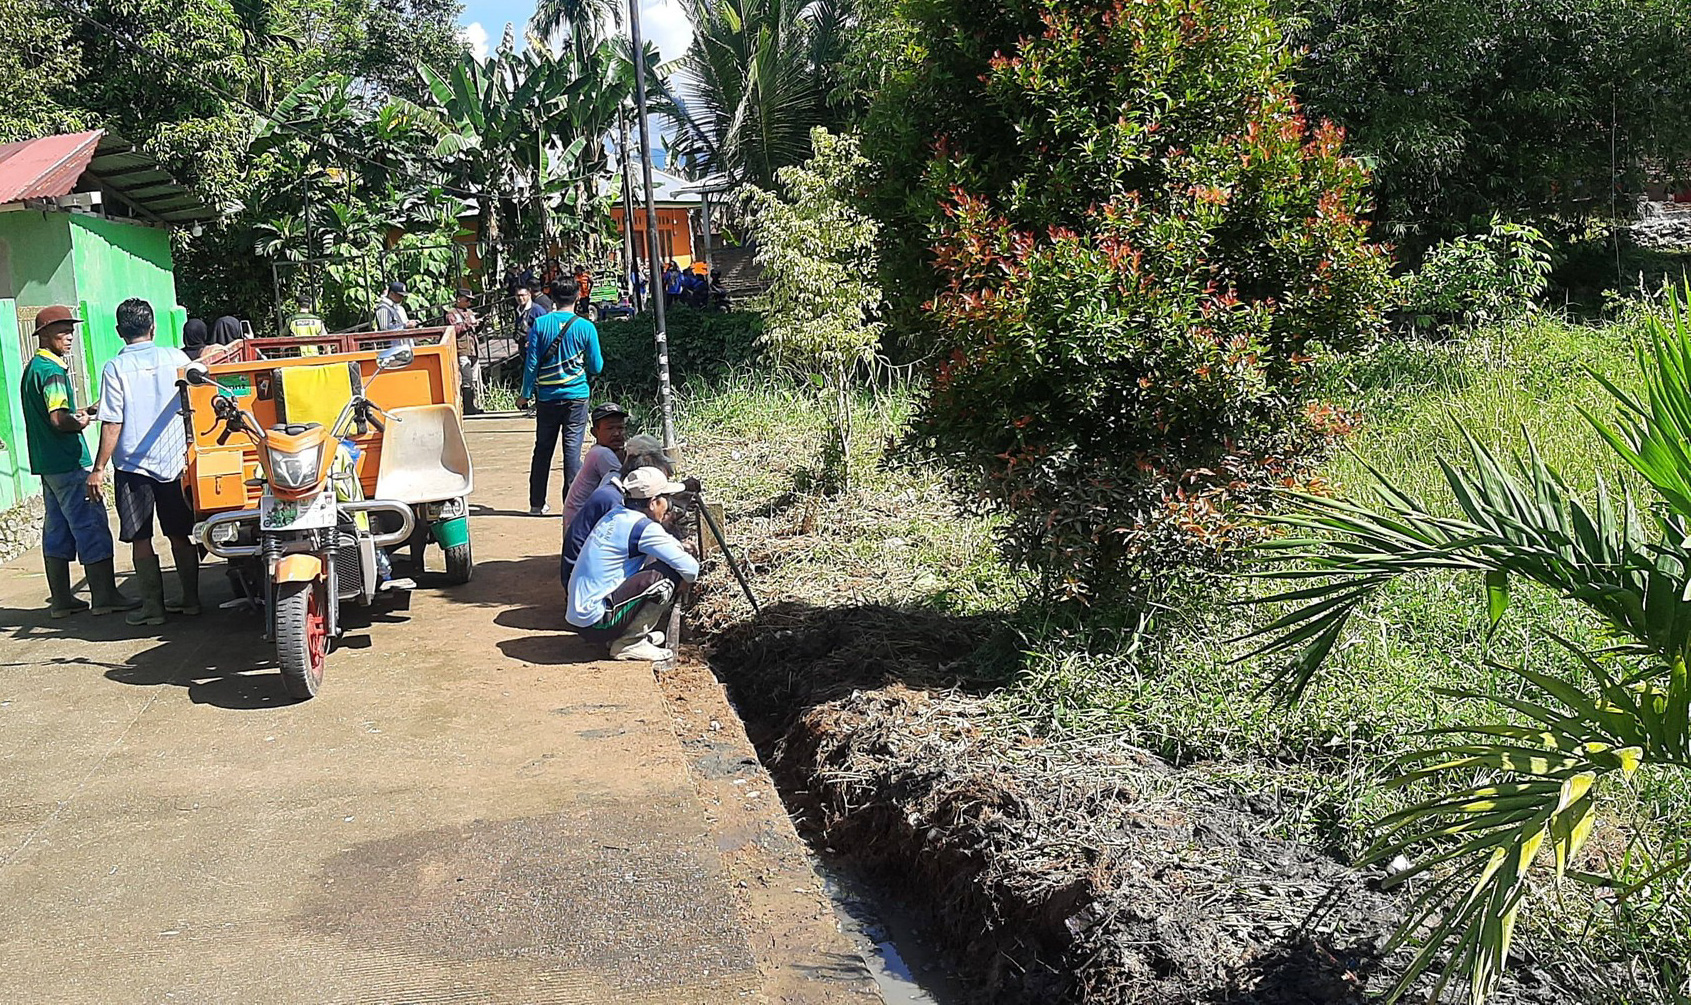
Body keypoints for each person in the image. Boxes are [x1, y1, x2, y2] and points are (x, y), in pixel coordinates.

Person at [20, 305, 140, 618]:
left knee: (56, 530)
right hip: (69, 461)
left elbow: (52, 414)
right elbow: (59, 420)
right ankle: (105, 596)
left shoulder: (34, 368)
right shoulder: (52, 372)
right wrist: (81, 422)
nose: (70, 336)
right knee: (91, 525)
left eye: (71, 329)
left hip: (48, 464)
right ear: (44, 334)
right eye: (62, 330)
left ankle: (61, 601)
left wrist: (85, 411)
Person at [88, 298, 197, 626]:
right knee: (180, 534)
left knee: (140, 538)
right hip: (175, 462)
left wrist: (98, 468)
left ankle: (153, 609)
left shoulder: (115, 368)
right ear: (153, 327)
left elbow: (112, 422)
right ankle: (191, 599)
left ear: (119, 331)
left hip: (133, 467)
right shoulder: (176, 358)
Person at [566, 466, 698, 662]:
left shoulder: (617, 515)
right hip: (597, 623)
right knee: (667, 574)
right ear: (653, 503)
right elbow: (691, 569)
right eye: (667, 499)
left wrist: (678, 547)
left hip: (583, 617)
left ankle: (622, 635)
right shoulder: (643, 528)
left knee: (659, 565)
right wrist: (685, 576)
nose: (669, 507)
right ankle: (630, 642)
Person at [517, 280, 602, 516]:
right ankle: (571, 505)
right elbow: (596, 366)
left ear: (552, 298)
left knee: (543, 448)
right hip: (576, 397)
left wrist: (525, 394)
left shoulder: (540, 324)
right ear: (578, 297)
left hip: (547, 398)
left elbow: (531, 363)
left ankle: (536, 504)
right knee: (572, 451)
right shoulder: (586, 327)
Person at [559, 433, 671, 588]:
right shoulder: (616, 501)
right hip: (586, 582)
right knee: (663, 570)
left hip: (582, 578)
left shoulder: (615, 483)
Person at [561, 402, 628, 527]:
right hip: (582, 525)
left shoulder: (597, 451)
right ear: (594, 432)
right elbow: (626, 487)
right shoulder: (603, 454)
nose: (616, 433)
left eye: (620, 428)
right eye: (610, 429)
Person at [446, 288, 483, 414]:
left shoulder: (470, 312)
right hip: (461, 349)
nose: (469, 303)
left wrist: (480, 324)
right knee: (466, 377)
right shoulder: (451, 313)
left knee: (474, 378)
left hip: (473, 349)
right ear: (459, 299)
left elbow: (475, 330)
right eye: (467, 300)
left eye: (470, 301)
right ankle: (468, 407)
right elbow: (454, 330)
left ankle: (472, 405)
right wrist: (468, 324)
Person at [513, 285, 546, 356]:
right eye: (518, 296)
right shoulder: (518, 310)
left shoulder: (537, 310)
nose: (520, 298)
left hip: (535, 350)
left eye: (523, 295)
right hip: (523, 349)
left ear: (529, 295)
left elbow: (545, 329)